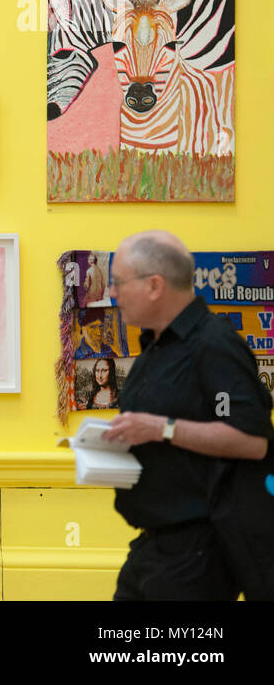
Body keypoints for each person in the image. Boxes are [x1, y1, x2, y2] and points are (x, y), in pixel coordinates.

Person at [104, 231, 272, 600]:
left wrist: (161, 429)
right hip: (153, 547)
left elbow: (250, 439)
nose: (113, 293)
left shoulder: (213, 344)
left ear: (154, 286)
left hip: (197, 554)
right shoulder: (156, 347)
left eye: (118, 282)